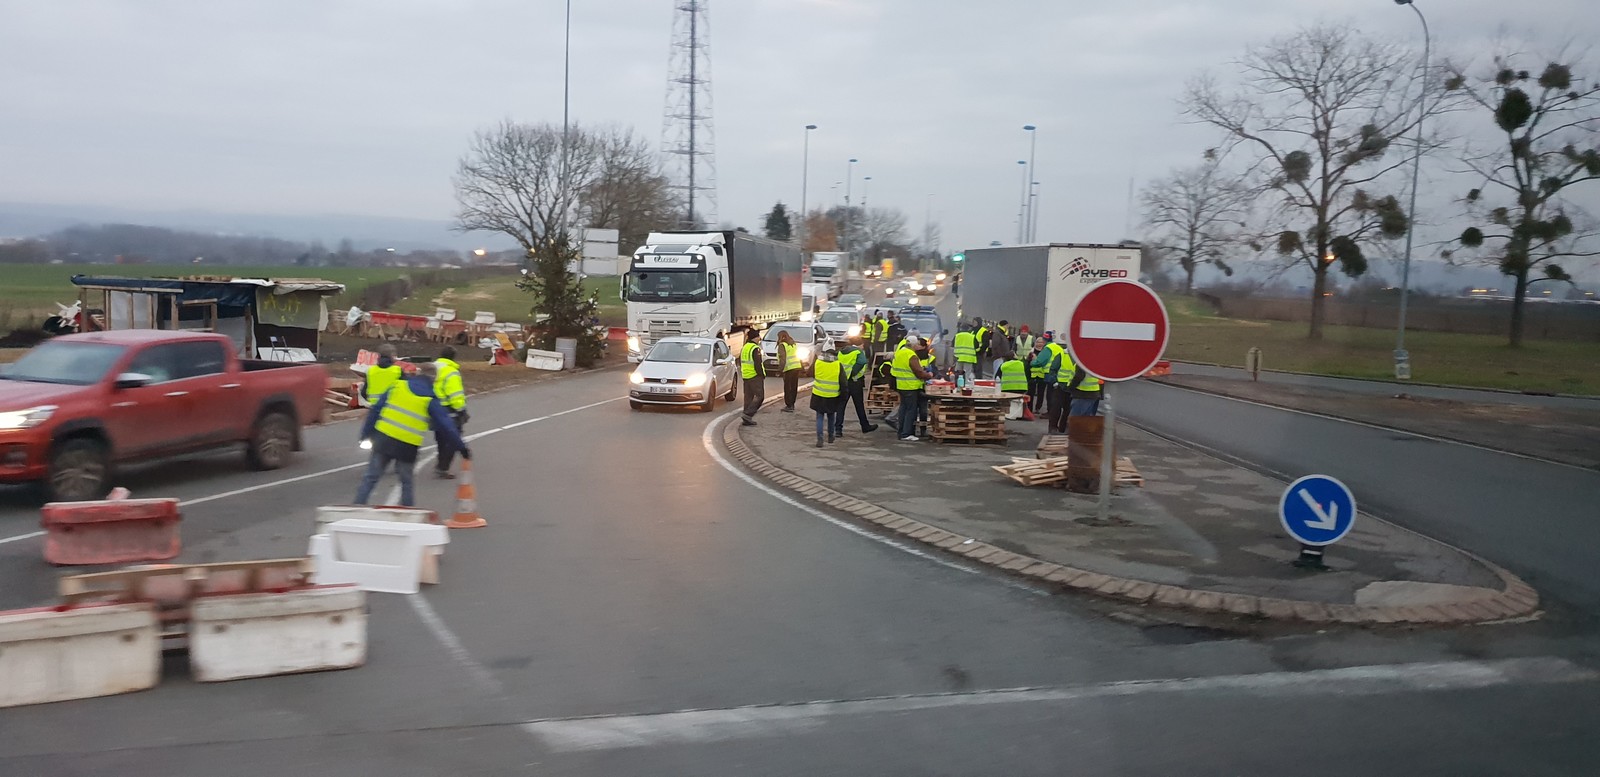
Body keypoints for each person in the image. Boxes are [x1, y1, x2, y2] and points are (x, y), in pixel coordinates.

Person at [355, 362, 470, 508]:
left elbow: (375, 411)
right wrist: (461, 448)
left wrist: (365, 434)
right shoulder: (430, 398)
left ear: (418, 373)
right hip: (407, 446)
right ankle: (406, 513)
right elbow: (447, 427)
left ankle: (356, 508)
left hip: (383, 438)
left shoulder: (397, 386)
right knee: (406, 482)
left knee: (370, 477)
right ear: (434, 379)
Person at [432, 346, 469, 479]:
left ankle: (441, 463)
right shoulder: (451, 371)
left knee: (440, 438)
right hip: (448, 409)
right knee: (453, 438)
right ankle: (443, 467)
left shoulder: (433, 367)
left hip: (433, 408)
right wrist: (461, 409)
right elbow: (455, 393)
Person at [890, 335, 933, 442]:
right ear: (913, 345)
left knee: (903, 409)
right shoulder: (911, 355)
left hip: (901, 385)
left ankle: (901, 432)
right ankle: (907, 433)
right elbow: (918, 372)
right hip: (911, 386)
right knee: (911, 411)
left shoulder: (899, 352)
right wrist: (928, 375)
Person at [836, 336, 878, 436]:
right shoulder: (858, 352)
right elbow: (862, 362)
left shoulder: (842, 351)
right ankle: (865, 426)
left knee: (841, 406)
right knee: (859, 405)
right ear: (860, 344)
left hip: (843, 382)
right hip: (855, 382)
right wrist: (853, 372)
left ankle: (838, 429)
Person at [810, 349, 844, 447]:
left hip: (818, 394)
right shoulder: (838, 364)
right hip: (832, 395)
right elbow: (843, 381)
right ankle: (830, 436)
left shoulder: (818, 362)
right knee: (831, 416)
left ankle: (820, 439)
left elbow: (810, 373)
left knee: (819, 417)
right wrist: (844, 395)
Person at [1065, 345, 1104, 417]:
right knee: (1085, 420)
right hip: (1094, 394)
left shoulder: (1082, 362)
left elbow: (1079, 376)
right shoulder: (1096, 361)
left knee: (1075, 420)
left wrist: (1070, 388)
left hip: (1082, 394)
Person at [739, 327, 766, 426]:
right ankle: (748, 414)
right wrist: (761, 374)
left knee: (748, 397)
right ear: (755, 337)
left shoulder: (745, 347)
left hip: (746, 375)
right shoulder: (755, 348)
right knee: (760, 396)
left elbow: (740, 362)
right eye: (758, 336)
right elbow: (757, 363)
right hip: (754, 376)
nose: (760, 338)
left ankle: (746, 418)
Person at [777, 329, 802, 412]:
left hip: (788, 368)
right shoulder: (793, 343)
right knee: (794, 387)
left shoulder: (782, 345)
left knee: (787, 388)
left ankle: (789, 405)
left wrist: (780, 370)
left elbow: (782, 359)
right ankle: (792, 404)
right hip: (796, 367)